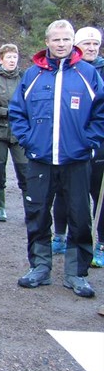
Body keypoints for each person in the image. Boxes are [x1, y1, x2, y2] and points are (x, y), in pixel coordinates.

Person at [10, 20, 104, 298]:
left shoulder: (88, 74)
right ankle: (39, 267)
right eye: (56, 39)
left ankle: (76, 273)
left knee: (79, 217)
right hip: (40, 159)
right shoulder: (33, 75)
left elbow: (100, 114)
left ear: (72, 41)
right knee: (37, 214)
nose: (61, 44)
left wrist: (88, 143)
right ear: (47, 41)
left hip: (75, 160)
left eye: (66, 39)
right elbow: (17, 112)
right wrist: (28, 140)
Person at [0, 44, 27, 222]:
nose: (11, 61)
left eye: (14, 57)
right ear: (0, 59)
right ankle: (0, 207)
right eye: (8, 57)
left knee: (25, 170)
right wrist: (6, 111)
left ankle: (30, 209)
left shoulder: (25, 78)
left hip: (20, 133)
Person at [73, 26, 104, 268]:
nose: (92, 47)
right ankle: (73, 240)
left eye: (95, 44)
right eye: (87, 43)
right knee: (75, 196)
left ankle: (100, 244)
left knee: (101, 198)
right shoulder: (71, 70)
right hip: (75, 144)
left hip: (100, 145)